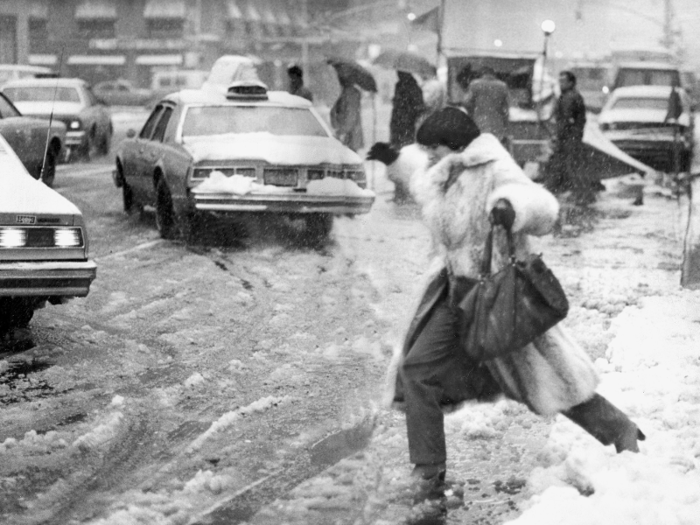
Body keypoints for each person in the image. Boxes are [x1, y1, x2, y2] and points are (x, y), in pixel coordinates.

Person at [385, 107, 645, 500]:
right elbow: (420, 175)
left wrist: (511, 208)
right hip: (454, 292)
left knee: (545, 378)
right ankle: (428, 471)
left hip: (496, 295)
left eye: (433, 148)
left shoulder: (493, 166)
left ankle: (619, 428)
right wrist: (393, 160)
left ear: (455, 146)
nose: (429, 155)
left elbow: (539, 203)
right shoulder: (444, 170)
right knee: (417, 369)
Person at [544, 70, 595, 205]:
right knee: (571, 166)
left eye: (563, 81)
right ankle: (581, 194)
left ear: (571, 83)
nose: (561, 84)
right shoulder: (570, 96)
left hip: (569, 138)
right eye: (559, 81)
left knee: (572, 167)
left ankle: (582, 195)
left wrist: (558, 136)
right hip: (572, 137)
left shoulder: (569, 97)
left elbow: (565, 120)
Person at [463, 66, 510, 144]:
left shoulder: (475, 84)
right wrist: (505, 126)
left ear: (481, 74)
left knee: (480, 147)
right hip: (497, 125)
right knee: (495, 149)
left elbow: (466, 102)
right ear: (494, 74)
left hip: (479, 123)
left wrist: (472, 112)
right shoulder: (502, 86)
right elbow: (506, 109)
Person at [389, 71, 426, 149]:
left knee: (405, 145)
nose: (398, 75)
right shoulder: (400, 85)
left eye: (400, 73)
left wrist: (407, 107)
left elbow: (419, 106)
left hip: (406, 121)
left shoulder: (413, 87)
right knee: (399, 144)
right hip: (399, 120)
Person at [330, 74, 364, 152]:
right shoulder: (346, 92)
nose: (339, 79)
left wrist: (341, 131)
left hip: (349, 137)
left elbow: (351, 117)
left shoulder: (350, 94)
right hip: (348, 136)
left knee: (349, 159)